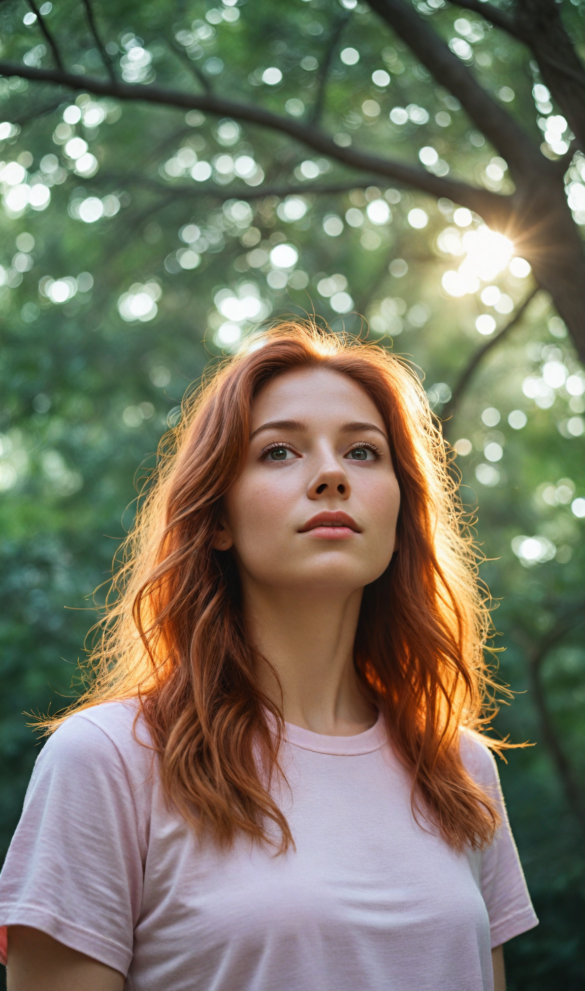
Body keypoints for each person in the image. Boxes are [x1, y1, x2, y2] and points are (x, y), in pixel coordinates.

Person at [0, 322, 537, 991]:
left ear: (401, 511)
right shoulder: (107, 760)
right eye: (280, 451)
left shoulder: (460, 769)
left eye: (364, 453)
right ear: (217, 519)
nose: (331, 475)